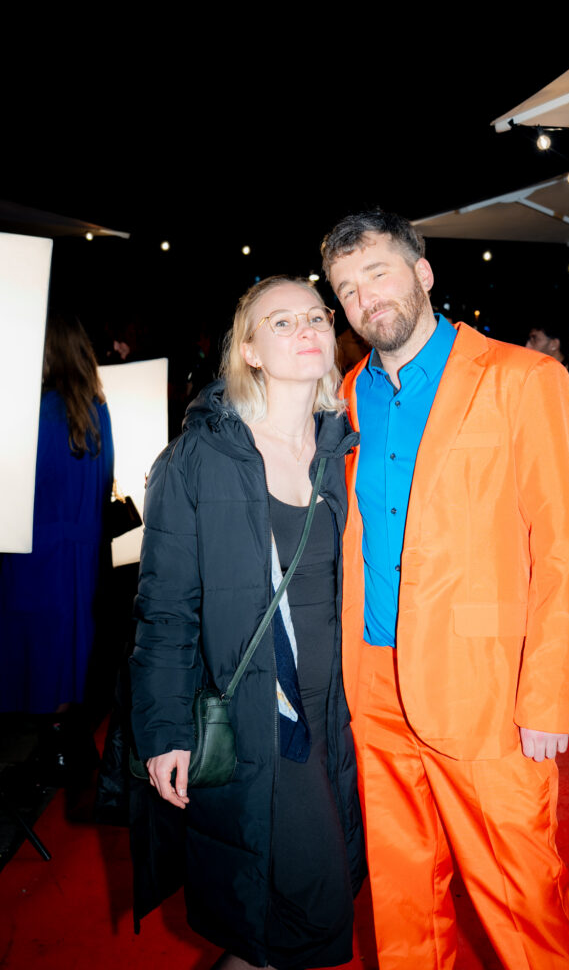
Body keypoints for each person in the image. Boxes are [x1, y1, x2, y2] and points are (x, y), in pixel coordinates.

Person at [321, 210, 569, 970]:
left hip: (485, 687)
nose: (366, 298)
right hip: (372, 680)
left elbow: (562, 548)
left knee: (522, 897)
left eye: (377, 272)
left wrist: (546, 698)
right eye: (347, 289)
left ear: (422, 272)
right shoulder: (348, 394)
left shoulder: (521, 378)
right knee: (402, 893)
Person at [129, 276, 365, 970]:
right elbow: (165, 609)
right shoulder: (197, 459)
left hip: (343, 715)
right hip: (264, 716)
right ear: (250, 351)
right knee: (312, 914)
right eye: (281, 321)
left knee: (287, 921)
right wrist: (164, 732)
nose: (306, 329)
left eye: (316, 316)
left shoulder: (343, 447)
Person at [0, 312, 114, 721]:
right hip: (81, 550)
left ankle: (42, 736)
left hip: (35, 548)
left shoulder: (38, 411)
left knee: (30, 649)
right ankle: (60, 736)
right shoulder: (97, 411)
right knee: (68, 648)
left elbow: (18, 483)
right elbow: (105, 481)